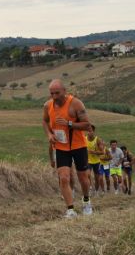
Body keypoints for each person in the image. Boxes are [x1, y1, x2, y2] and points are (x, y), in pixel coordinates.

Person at [42, 79, 92, 218]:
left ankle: (86, 200)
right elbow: (44, 121)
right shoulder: (48, 105)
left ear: (65, 91)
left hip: (78, 146)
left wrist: (69, 123)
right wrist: (49, 134)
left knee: (83, 178)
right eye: (52, 93)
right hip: (61, 147)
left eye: (57, 93)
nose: (54, 96)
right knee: (64, 177)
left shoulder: (75, 103)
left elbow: (87, 125)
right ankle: (70, 210)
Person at [86, 125, 104, 195]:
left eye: (90, 131)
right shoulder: (84, 139)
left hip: (96, 161)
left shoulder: (97, 140)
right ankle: (90, 188)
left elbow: (102, 152)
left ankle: (96, 191)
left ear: (93, 132)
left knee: (97, 178)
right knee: (87, 174)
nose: (89, 133)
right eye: (88, 131)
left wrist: (94, 152)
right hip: (88, 161)